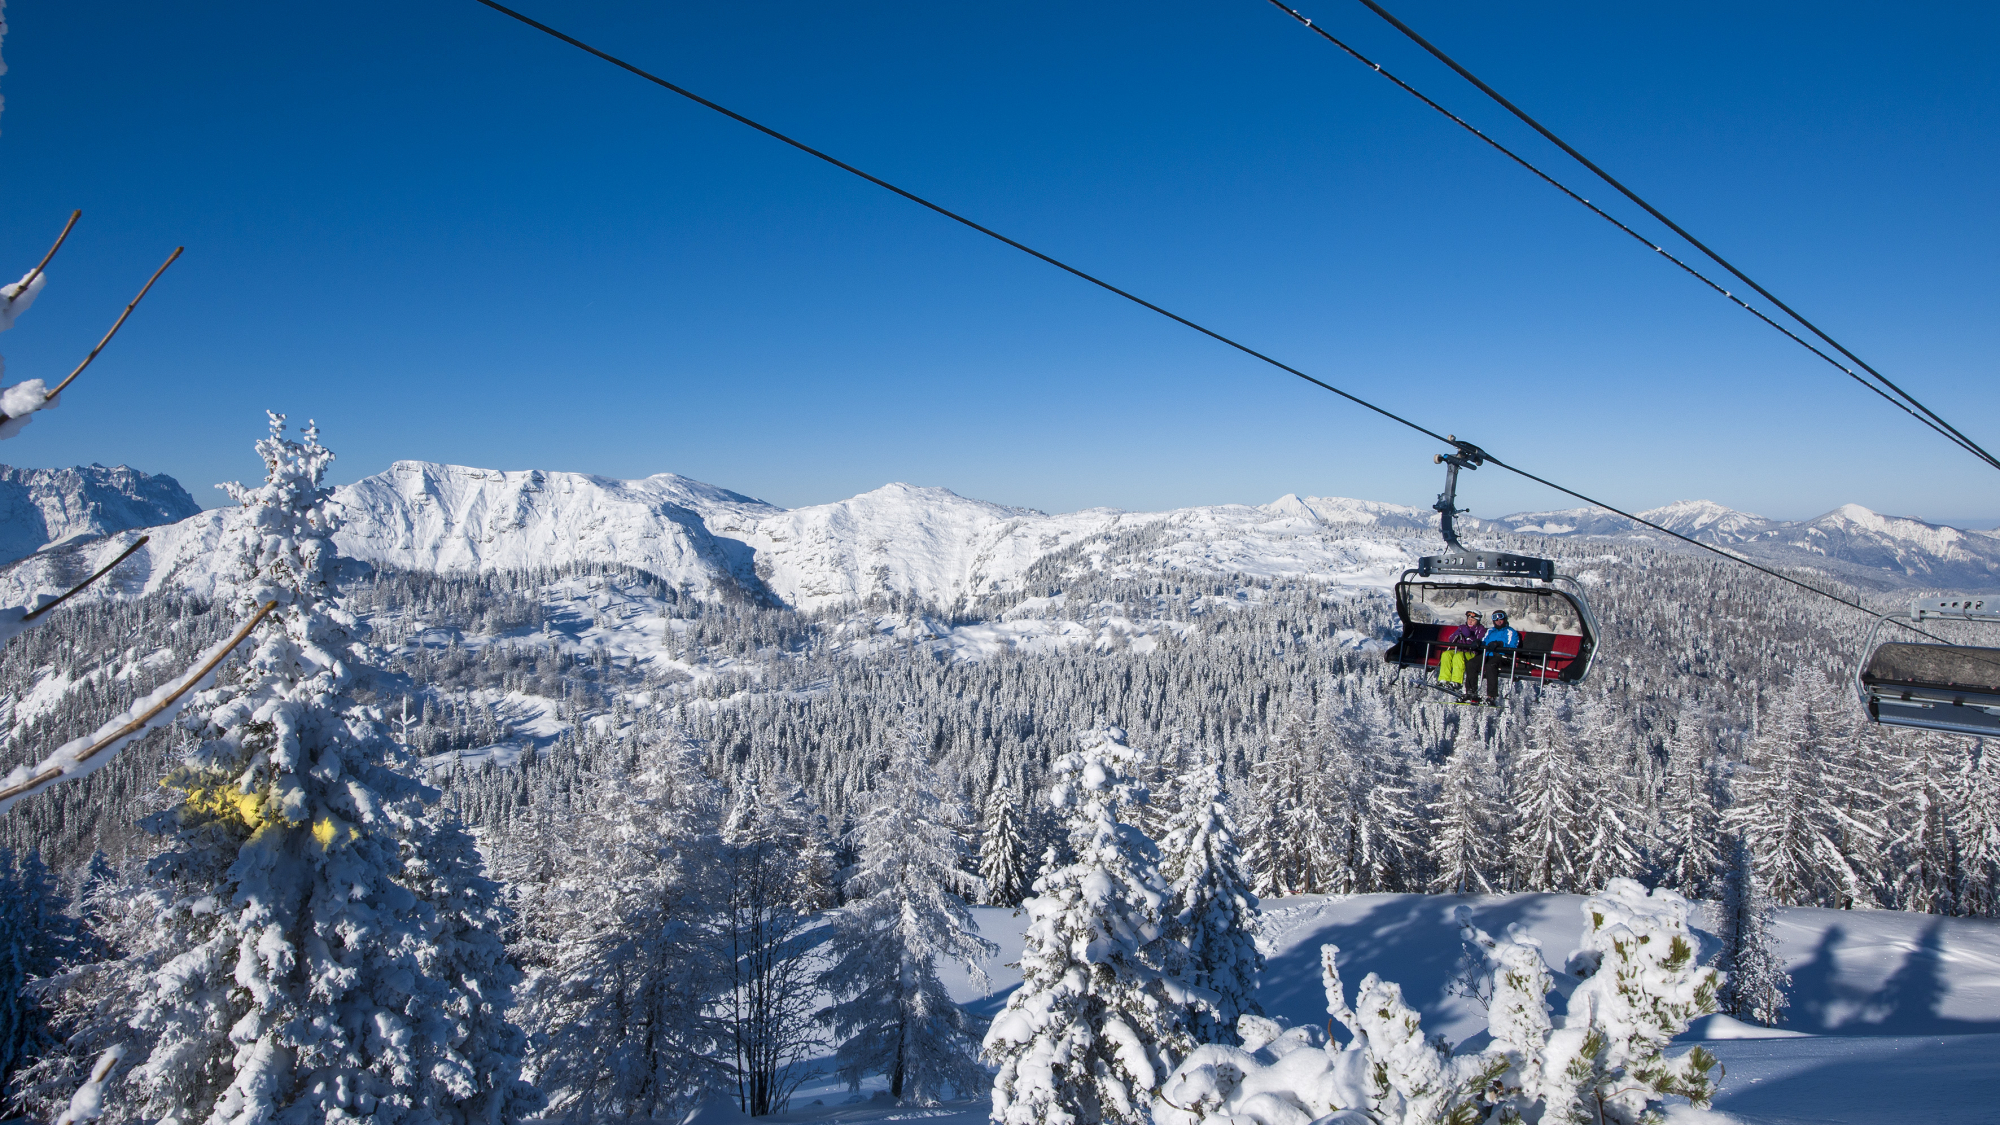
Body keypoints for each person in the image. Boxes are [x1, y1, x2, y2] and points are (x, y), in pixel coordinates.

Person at [1465, 609, 1521, 706]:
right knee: (1471, 663)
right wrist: (1479, 643)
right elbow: (1484, 641)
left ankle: (1491, 696)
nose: (1498, 622)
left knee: (1491, 666)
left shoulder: (1511, 632)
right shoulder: (1490, 631)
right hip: (1488, 654)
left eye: (1501, 619)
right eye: (1496, 620)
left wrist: (1500, 644)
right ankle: (1471, 692)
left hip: (1503, 656)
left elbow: (1513, 646)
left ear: (1505, 619)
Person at [1437, 610, 1483, 693]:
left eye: (1473, 620)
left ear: (1478, 621)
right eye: (1469, 619)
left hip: (1471, 653)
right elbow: (1451, 640)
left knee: (1458, 657)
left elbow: (1479, 642)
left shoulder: (1480, 629)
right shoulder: (1462, 627)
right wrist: (1457, 634)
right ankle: (1444, 679)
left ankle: (1456, 682)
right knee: (1446, 654)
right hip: (1458, 650)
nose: (1470, 621)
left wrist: (1469, 636)